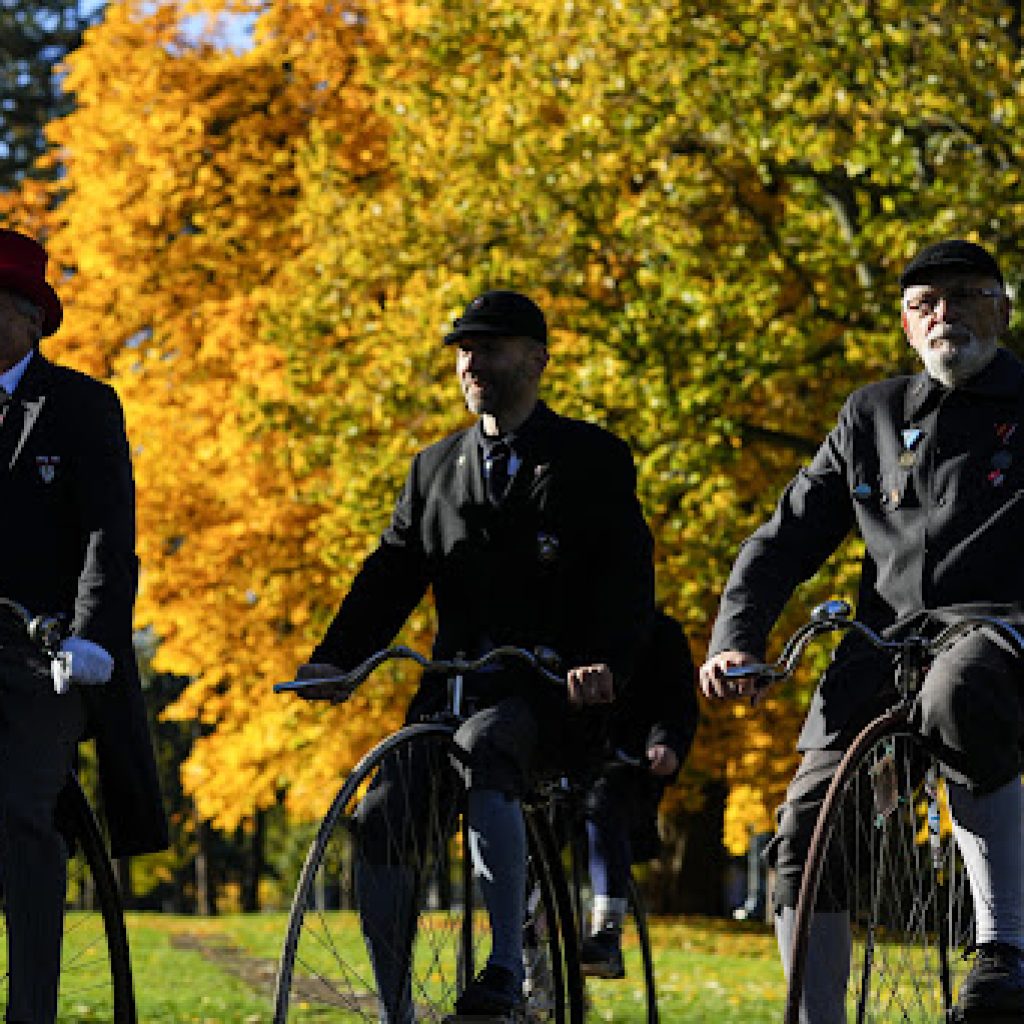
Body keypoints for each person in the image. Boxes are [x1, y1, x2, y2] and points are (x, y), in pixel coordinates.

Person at [294, 289, 654, 1020]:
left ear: (536, 360)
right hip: (451, 688)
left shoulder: (591, 459)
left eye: (489, 348)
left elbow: (627, 577)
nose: (471, 363)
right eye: (464, 351)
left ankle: (505, 965)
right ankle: (395, 1004)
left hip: (552, 692)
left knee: (487, 748)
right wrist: (336, 660)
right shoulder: (433, 468)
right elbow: (390, 573)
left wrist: (604, 662)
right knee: (386, 805)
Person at [699, 239, 1024, 1023]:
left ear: (1003, 309)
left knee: (961, 689)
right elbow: (782, 542)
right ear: (907, 326)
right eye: (923, 303)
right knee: (803, 836)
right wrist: (735, 637)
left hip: (1000, 633)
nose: (943, 313)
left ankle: (1005, 950)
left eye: (964, 295)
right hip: (880, 646)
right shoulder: (871, 414)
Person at [0, 228, 168, 1023]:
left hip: (46, 656)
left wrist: (94, 635)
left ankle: (29, 1010)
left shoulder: (79, 406)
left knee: (17, 807)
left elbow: (109, 535)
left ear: (31, 318)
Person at [578, 609, 698, 979]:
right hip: (563, 757)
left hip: (626, 767)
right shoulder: (565, 619)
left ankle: (606, 932)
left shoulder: (661, 633)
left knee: (603, 800)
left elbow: (677, 704)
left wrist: (665, 745)